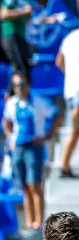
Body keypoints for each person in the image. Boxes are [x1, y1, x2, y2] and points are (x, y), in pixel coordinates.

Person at [4, 72, 59, 231]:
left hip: (33, 147)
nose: (18, 88)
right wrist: (10, 138)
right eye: (15, 85)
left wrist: (47, 135)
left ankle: (39, 221)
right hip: (19, 148)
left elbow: (56, 115)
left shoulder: (38, 101)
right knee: (25, 187)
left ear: (28, 85)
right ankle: (30, 220)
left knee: (35, 184)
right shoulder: (12, 103)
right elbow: (6, 121)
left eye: (21, 85)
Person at [59, 27, 79, 178]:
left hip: (71, 89)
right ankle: (64, 166)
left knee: (76, 130)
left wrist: (70, 75)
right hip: (77, 91)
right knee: (75, 129)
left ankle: (65, 166)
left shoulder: (69, 37)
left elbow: (58, 61)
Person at [0, 0, 35, 80]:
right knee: (20, 71)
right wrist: (23, 11)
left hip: (22, 35)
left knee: (24, 70)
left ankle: (10, 92)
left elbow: (27, 20)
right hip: (10, 34)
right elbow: (3, 14)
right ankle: (18, 91)